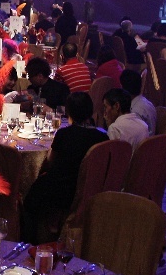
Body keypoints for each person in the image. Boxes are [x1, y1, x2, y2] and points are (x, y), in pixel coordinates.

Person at [21, 92, 108, 242]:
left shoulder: (64, 134)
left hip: (63, 190)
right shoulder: (102, 137)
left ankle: (31, 241)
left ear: (69, 112)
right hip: (89, 189)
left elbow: (50, 162)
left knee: (30, 196)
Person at [120, 68, 157, 133]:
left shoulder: (134, 113)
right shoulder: (148, 103)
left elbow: (135, 136)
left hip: (142, 139)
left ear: (124, 89)